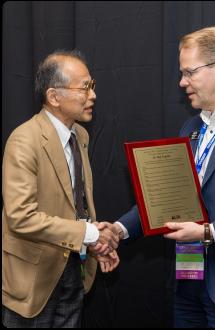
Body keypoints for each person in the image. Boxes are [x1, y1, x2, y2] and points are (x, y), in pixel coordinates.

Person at [99, 26, 215, 328]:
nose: (182, 82)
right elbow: (165, 201)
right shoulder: (190, 128)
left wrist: (207, 232)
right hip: (188, 283)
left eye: (189, 72)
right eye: (182, 73)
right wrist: (118, 230)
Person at [2, 50, 120, 328]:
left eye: (93, 87)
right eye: (84, 88)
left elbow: (73, 201)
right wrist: (90, 233)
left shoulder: (81, 135)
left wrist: (94, 242)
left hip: (74, 271)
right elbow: (20, 217)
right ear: (54, 97)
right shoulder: (24, 141)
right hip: (33, 280)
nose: (93, 96)